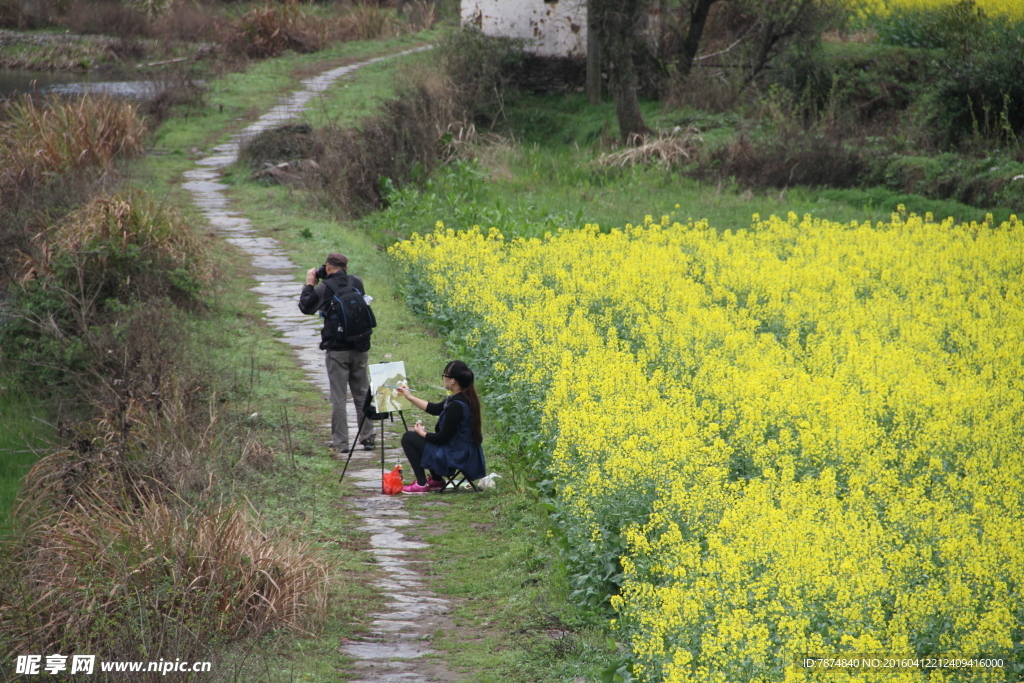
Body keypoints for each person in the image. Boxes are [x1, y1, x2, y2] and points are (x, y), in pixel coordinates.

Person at [298, 252, 376, 455]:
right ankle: (368, 437)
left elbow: (306, 307)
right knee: (361, 393)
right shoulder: (356, 282)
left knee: (339, 397)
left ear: (329, 267)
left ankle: (341, 442)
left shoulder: (325, 287)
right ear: (346, 268)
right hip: (360, 347)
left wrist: (309, 284)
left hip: (337, 350)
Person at [395, 360, 486, 494]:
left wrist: (422, 433)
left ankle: (421, 484)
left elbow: (443, 438)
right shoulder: (461, 397)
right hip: (462, 450)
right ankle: (436, 480)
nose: (443, 379)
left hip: (457, 455)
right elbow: (435, 408)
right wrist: (409, 397)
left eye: (444, 376)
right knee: (422, 438)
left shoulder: (457, 406)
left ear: (452, 380)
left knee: (409, 438)